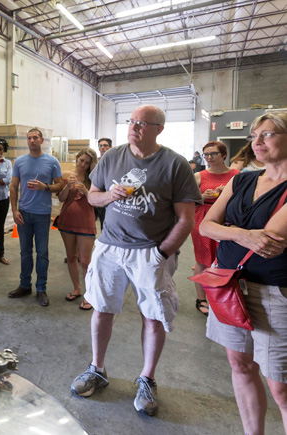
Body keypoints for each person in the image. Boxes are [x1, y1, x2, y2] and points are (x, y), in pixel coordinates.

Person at [70, 105, 202, 416]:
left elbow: (186, 219)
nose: (134, 127)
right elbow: (93, 196)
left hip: (150, 251)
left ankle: (147, 378)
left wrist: (162, 253)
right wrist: (110, 197)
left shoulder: (175, 164)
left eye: (142, 123)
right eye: (131, 121)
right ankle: (97, 368)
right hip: (110, 247)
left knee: (153, 315)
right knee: (102, 309)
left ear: (159, 129)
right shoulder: (112, 157)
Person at [200, 112, 287, 435]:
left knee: (280, 386)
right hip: (229, 285)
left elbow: (270, 237)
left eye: (269, 134)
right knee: (240, 365)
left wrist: (231, 230)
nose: (258, 141)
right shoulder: (241, 180)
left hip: (274, 291)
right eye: (255, 135)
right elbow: (206, 225)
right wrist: (241, 234)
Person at [7, 128, 64, 307]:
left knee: (42, 253)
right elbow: (14, 186)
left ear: (41, 140)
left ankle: (41, 288)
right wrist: (14, 211)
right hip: (23, 213)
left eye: (35, 138)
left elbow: (61, 184)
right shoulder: (20, 161)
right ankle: (25, 285)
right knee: (25, 253)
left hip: (42, 214)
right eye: (29, 138)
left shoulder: (52, 161)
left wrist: (45, 187)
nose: (32, 140)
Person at [190, 141, 239, 316]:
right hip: (202, 217)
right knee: (202, 258)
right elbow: (187, 201)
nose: (209, 157)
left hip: (227, 219)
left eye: (213, 154)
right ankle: (201, 298)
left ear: (223, 155)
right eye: (206, 154)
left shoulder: (237, 175)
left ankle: (223, 297)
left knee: (226, 258)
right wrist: (202, 196)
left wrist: (227, 194)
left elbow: (244, 200)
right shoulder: (199, 176)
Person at [57, 148, 98, 311]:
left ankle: (90, 294)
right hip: (67, 221)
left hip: (86, 223)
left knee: (86, 261)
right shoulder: (66, 174)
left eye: (87, 163)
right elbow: (60, 198)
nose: (83, 165)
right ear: (77, 159)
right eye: (81, 161)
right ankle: (77, 288)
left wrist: (86, 191)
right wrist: (68, 186)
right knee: (72, 257)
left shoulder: (93, 179)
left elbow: (96, 201)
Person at [95, 138, 113, 229]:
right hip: (95, 195)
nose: (102, 148)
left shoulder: (115, 162)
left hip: (107, 196)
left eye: (105, 145)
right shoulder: (94, 162)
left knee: (105, 222)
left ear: (110, 147)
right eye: (100, 146)